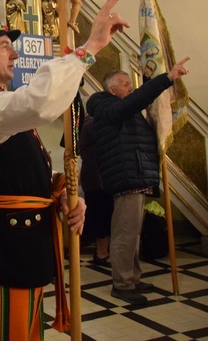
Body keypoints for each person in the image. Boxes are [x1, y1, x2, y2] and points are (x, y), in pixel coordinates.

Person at [0, 0, 128, 339]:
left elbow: (24, 169)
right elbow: (40, 102)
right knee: (10, 332)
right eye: (5, 45)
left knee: (29, 331)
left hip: (26, 240)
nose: (15, 53)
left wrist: (63, 197)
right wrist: (89, 47)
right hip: (8, 244)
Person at [86, 60, 189, 305]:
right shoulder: (105, 106)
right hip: (125, 176)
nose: (130, 89)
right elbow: (134, 102)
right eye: (125, 85)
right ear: (112, 89)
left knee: (134, 233)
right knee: (124, 234)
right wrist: (165, 79)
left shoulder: (120, 106)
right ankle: (122, 284)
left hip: (135, 174)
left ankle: (132, 277)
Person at [78, 112, 113, 267]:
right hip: (96, 178)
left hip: (101, 177)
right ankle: (101, 253)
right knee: (101, 216)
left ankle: (105, 251)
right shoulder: (89, 123)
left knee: (105, 214)